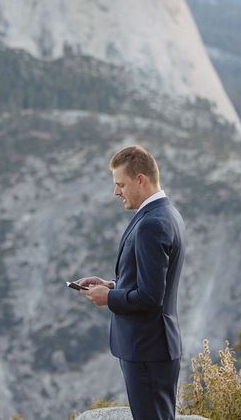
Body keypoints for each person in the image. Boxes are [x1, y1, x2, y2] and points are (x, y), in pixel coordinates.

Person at [75, 146, 186, 420]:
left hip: (148, 348)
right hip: (153, 346)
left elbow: (150, 297)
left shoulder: (152, 223)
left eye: (120, 184)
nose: (116, 192)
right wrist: (112, 285)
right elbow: (150, 281)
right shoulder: (166, 214)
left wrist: (108, 299)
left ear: (140, 179)